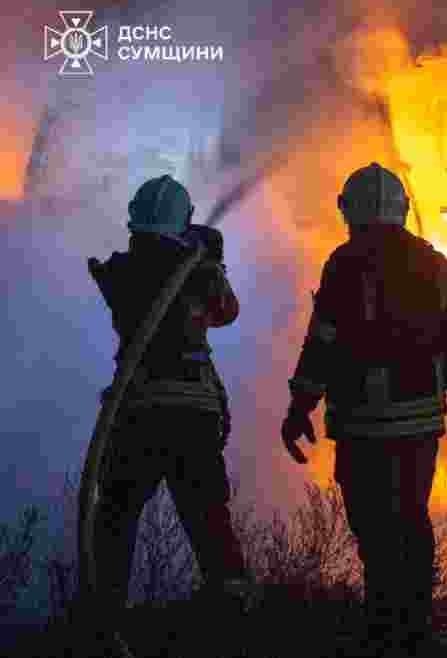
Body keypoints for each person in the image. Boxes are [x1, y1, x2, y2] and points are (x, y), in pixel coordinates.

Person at [281, 163, 447, 657]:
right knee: (411, 519)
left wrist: (300, 406)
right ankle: (415, 628)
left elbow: (321, 344)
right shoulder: (435, 262)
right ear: (401, 209)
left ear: (351, 210)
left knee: (372, 527)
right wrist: (438, 380)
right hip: (418, 426)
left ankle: (384, 627)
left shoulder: (343, 264)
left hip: (360, 427)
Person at [87, 175, 250, 648]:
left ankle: (104, 618)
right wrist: (211, 257)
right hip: (189, 418)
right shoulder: (194, 269)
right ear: (182, 220)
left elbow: (146, 284)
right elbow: (227, 311)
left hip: (135, 415)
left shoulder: (120, 270)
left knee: (115, 516)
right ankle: (233, 611)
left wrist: (196, 255)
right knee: (207, 516)